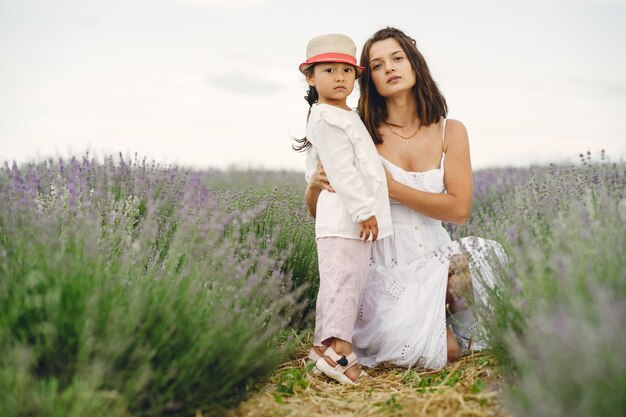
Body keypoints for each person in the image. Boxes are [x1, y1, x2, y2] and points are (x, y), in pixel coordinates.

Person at [305, 27, 507, 370]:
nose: (390, 69)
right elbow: (323, 212)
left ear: (414, 64)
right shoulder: (358, 130)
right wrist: (313, 186)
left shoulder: (450, 130)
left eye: (397, 58)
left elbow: (459, 210)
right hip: (383, 266)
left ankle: (466, 327)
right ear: (369, 79)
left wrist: (393, 188)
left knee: (482, 255)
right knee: (446, 352)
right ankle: (438, 332)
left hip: (435, 257)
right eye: (378, 65)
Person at [294, 33, 393, 383]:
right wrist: (365, 210)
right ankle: (340, 351)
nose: (340, 77)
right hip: (344, 218)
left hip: (346, 219)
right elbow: (342, 171)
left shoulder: (344, 115)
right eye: (329, 70)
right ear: (310, 76)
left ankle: (322, 348)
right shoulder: (325, 118)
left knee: (341, 282)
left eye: (347, 71)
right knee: (345, 284)